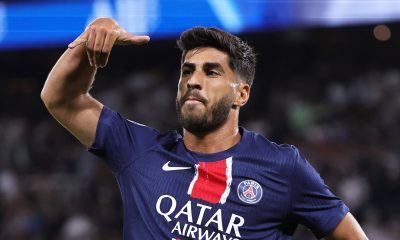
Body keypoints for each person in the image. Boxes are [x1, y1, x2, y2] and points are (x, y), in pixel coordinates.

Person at [41, 17, 368, 240]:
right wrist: (89, 40)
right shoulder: (139, 151)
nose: (193, 81)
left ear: (241, 93)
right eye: (187, 71)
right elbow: (61, 98)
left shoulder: (283, 167)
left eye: (211, 72)